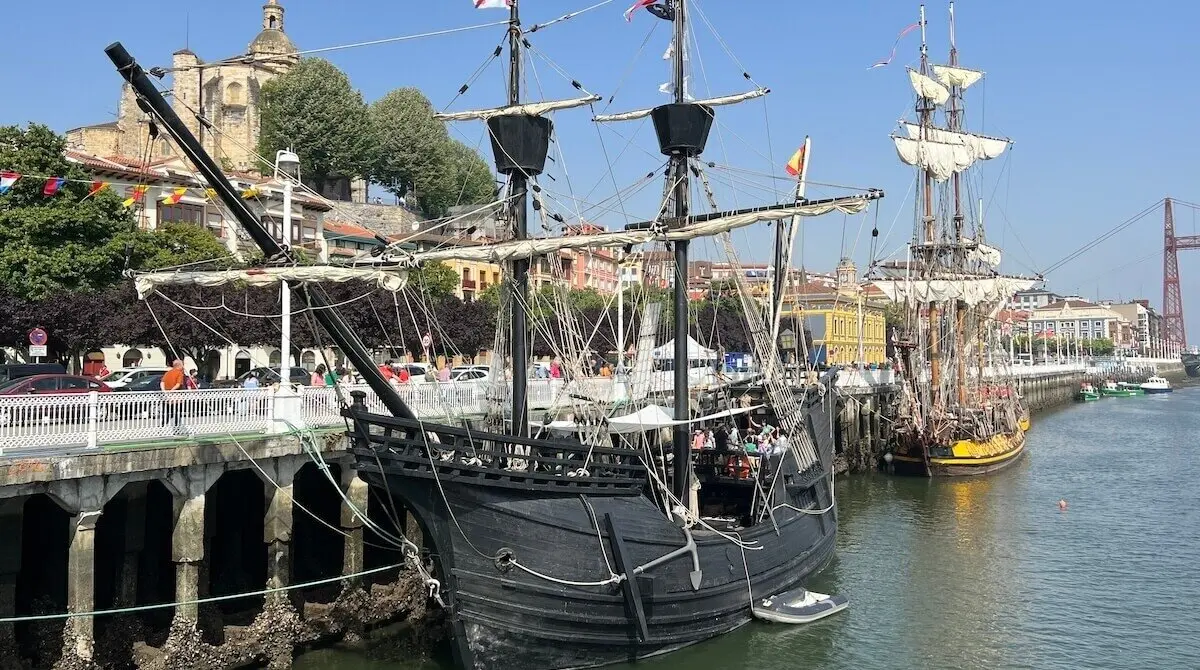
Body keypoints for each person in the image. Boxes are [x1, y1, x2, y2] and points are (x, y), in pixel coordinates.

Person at [160, 359, 185, 432]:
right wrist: (172, 391)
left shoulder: (168, 372)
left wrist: (164, 391)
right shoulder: (179, 373)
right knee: (177, 412)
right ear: (179, 365)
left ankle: (162, 427)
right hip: (176, 396)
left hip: (167, 397)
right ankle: (177, 429)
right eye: (182, 365)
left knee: (167, 412)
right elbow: (178, 384)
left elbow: (162, 382)